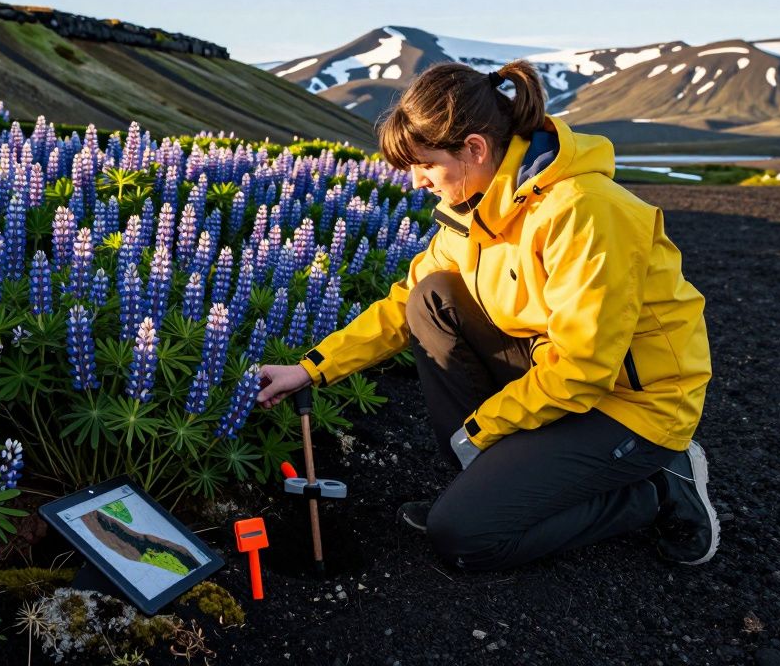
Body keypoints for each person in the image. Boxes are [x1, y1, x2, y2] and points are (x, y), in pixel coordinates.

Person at [255, 60, 717, 571]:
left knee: (464, 538)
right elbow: (403, 302)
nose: (417, 182)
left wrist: (481, 429)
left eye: (426, 165)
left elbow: (585, 369)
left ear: (474, 149)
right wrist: (312, 368)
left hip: (629, 403)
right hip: (552, 371)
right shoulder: (476, 207)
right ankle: (496, 486)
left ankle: (652, 490)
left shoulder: (584, 212)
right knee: (431, 298)